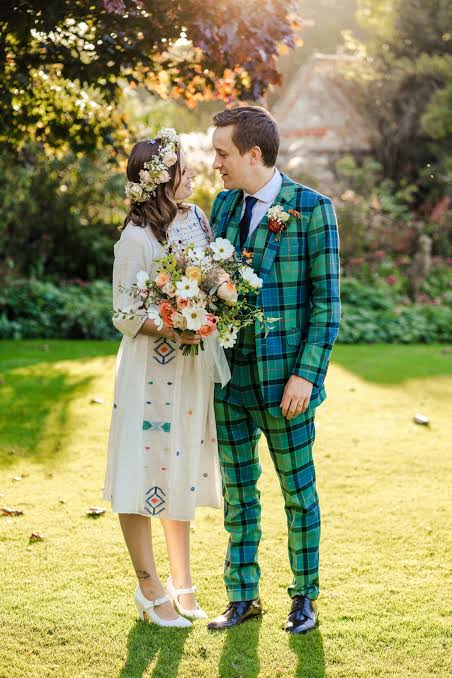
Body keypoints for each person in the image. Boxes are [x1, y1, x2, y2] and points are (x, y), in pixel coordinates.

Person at [207, 106, 341, 633]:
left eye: (222, 153)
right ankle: (242, 597)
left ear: (254, 153)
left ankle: (304, 597)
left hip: (288, 385)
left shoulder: (313, 209)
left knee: (298, 495)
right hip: (228, 383)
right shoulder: (222, 205)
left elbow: (327, 305)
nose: (215, 163)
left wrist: (306, 375)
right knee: (239, 495)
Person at [103, 129, 223, 627]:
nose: (193, 175)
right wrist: (177, 324)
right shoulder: (134, 240)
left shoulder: (196, 218)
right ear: (159, 180)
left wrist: (221, 293)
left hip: (190, 370)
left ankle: (183, 584)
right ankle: (148, 586)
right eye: (183, 170)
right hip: (149, 373)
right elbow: (125, 314)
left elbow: (208, 273)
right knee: (142, 469)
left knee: (180, 470)